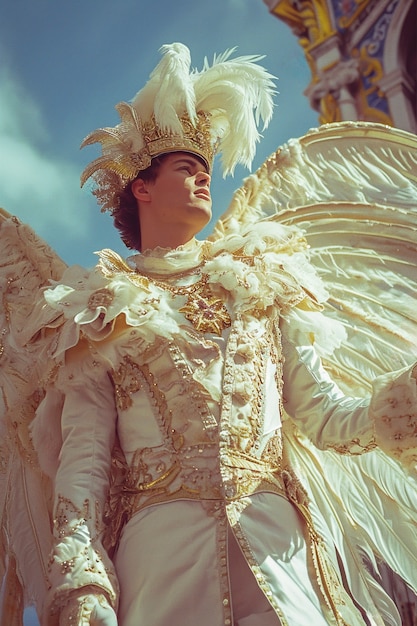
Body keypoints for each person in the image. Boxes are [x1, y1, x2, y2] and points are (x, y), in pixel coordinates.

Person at [1, 43, 417, 626]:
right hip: (160, 560)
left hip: (282, 553)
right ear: (141, 189)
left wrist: (401, 400)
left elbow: (323, 416)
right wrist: (82, 578)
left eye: (205, 172)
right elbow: (86, 457)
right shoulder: (96, 312)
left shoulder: (262, 282)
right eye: (185, 170)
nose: (203, 180)